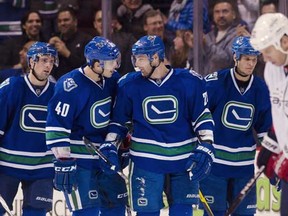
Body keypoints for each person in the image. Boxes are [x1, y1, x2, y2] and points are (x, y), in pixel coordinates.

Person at [99, 35, 215, 216]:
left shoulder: (190, 81)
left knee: (182, 213)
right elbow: (119, 123)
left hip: (184, 162)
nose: (137, 64)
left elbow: (202, 116)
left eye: (141, 58)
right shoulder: (128, 84)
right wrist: (110, 144)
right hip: (146, 162)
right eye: (135, 58)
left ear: (155, 57)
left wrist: (207, 144)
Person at [45, 36, 128, 216]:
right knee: (86, 212)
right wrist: (64, 161)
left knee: (117, 208)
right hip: (79, 161)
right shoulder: (69, 86)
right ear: (97, 64)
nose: (115, 66)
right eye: (112, 61)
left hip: (106, 158)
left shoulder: (113, 80)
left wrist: (119, 146)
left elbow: (119, 116)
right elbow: (57, 127)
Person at [200, 36, 272, 216]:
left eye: (254, 59)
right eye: (247, 58)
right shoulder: (216, 82)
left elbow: (265, 127)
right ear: (236, 57)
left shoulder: (260, 88)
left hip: (244, 166)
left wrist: (271, 155)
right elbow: (198, 116)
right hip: (215, 165)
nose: (251, 64)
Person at [0, 42, 58, 216]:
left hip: (42, 167)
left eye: (51, 61)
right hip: (7, 165)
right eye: (44, 60)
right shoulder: (12, 86)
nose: (48, 65)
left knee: (36, 213)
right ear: (31, 62)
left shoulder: (58, 92)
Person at [250, 12, 288, 216]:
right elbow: (281, 113)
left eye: (267, 51)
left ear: (284, 41)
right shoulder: (272, 69)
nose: (264, 58)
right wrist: (270, 146)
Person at [203, 0, 249, 76]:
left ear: (233, 15)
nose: (221, 15)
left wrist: (206, 45)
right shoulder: (208, 36)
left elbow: (227, 60)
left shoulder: (239, 35)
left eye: (225, 11)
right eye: (217, 12)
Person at [49, 6, 92, 80]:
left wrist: (67, 54)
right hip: (58, 84)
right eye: (59, 21)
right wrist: (48, 50)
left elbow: (89, 68)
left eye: (66, 20)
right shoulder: (55, 40)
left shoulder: (87, 40)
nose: (62, 23)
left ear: (75, 22)